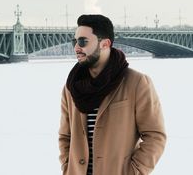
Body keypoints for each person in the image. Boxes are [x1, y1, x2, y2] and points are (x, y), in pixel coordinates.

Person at [58, 14, 166, 175]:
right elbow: (65, 136)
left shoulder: (136, 83)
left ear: (105, 44)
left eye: (82, 42)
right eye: (75, 42)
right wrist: (67, 167)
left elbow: (155, 136)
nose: (76, 48)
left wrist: (134, 171)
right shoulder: (71, 87)